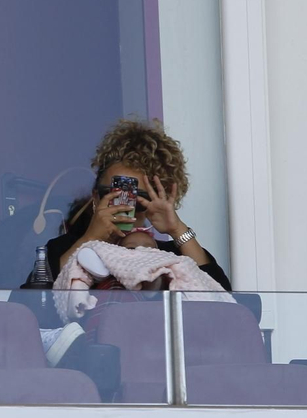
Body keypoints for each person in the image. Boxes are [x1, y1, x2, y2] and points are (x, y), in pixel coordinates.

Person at [44, 117, 231, 291]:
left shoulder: (170, 255)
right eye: (113, 194)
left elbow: (221, 299)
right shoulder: (64, 247)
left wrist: (177, 229)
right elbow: (38, 300)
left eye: (137, 199)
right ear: (96, 197)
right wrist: (90, 239)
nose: (124, 205)